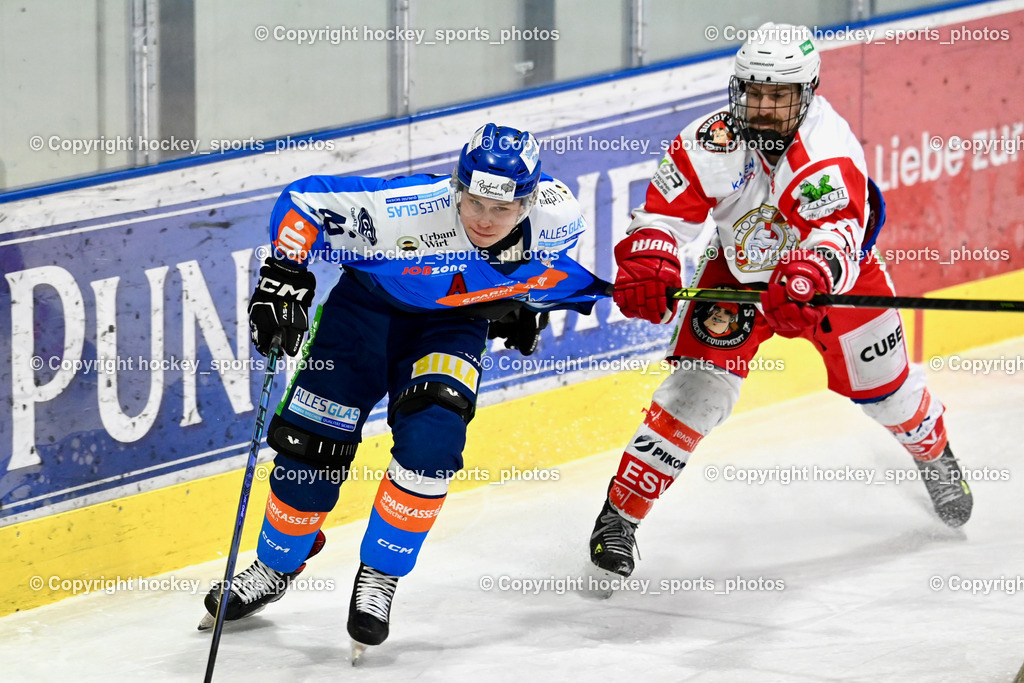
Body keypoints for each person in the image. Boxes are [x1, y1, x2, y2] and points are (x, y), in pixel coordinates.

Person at [200, 123, 607, 657]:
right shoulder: (404, 210)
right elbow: (303, 200)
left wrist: (523, 305)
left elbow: (547, 274)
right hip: (361, 318)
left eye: (502, 209)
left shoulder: (558, 218)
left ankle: (381, 575)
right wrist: (284, 274)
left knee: (432, 446)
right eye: (475, 202)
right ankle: (276, 565)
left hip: (450, 327)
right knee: (308, 449)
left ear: (528, 203)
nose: (485, 220)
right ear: (458, 188)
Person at [588, 23, 973, 581]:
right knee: (694, 394)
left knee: (889, 396)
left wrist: (809, 275)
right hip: (738, 272)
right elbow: (661, 219)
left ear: (808, 92)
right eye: (754, 91)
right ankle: (619, 517)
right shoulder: (707, 140)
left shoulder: (827, 151)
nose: (764, 107)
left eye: (780, 94)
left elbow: (836, 236)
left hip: (835, 280)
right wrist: (652, 263)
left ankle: (934, 454)